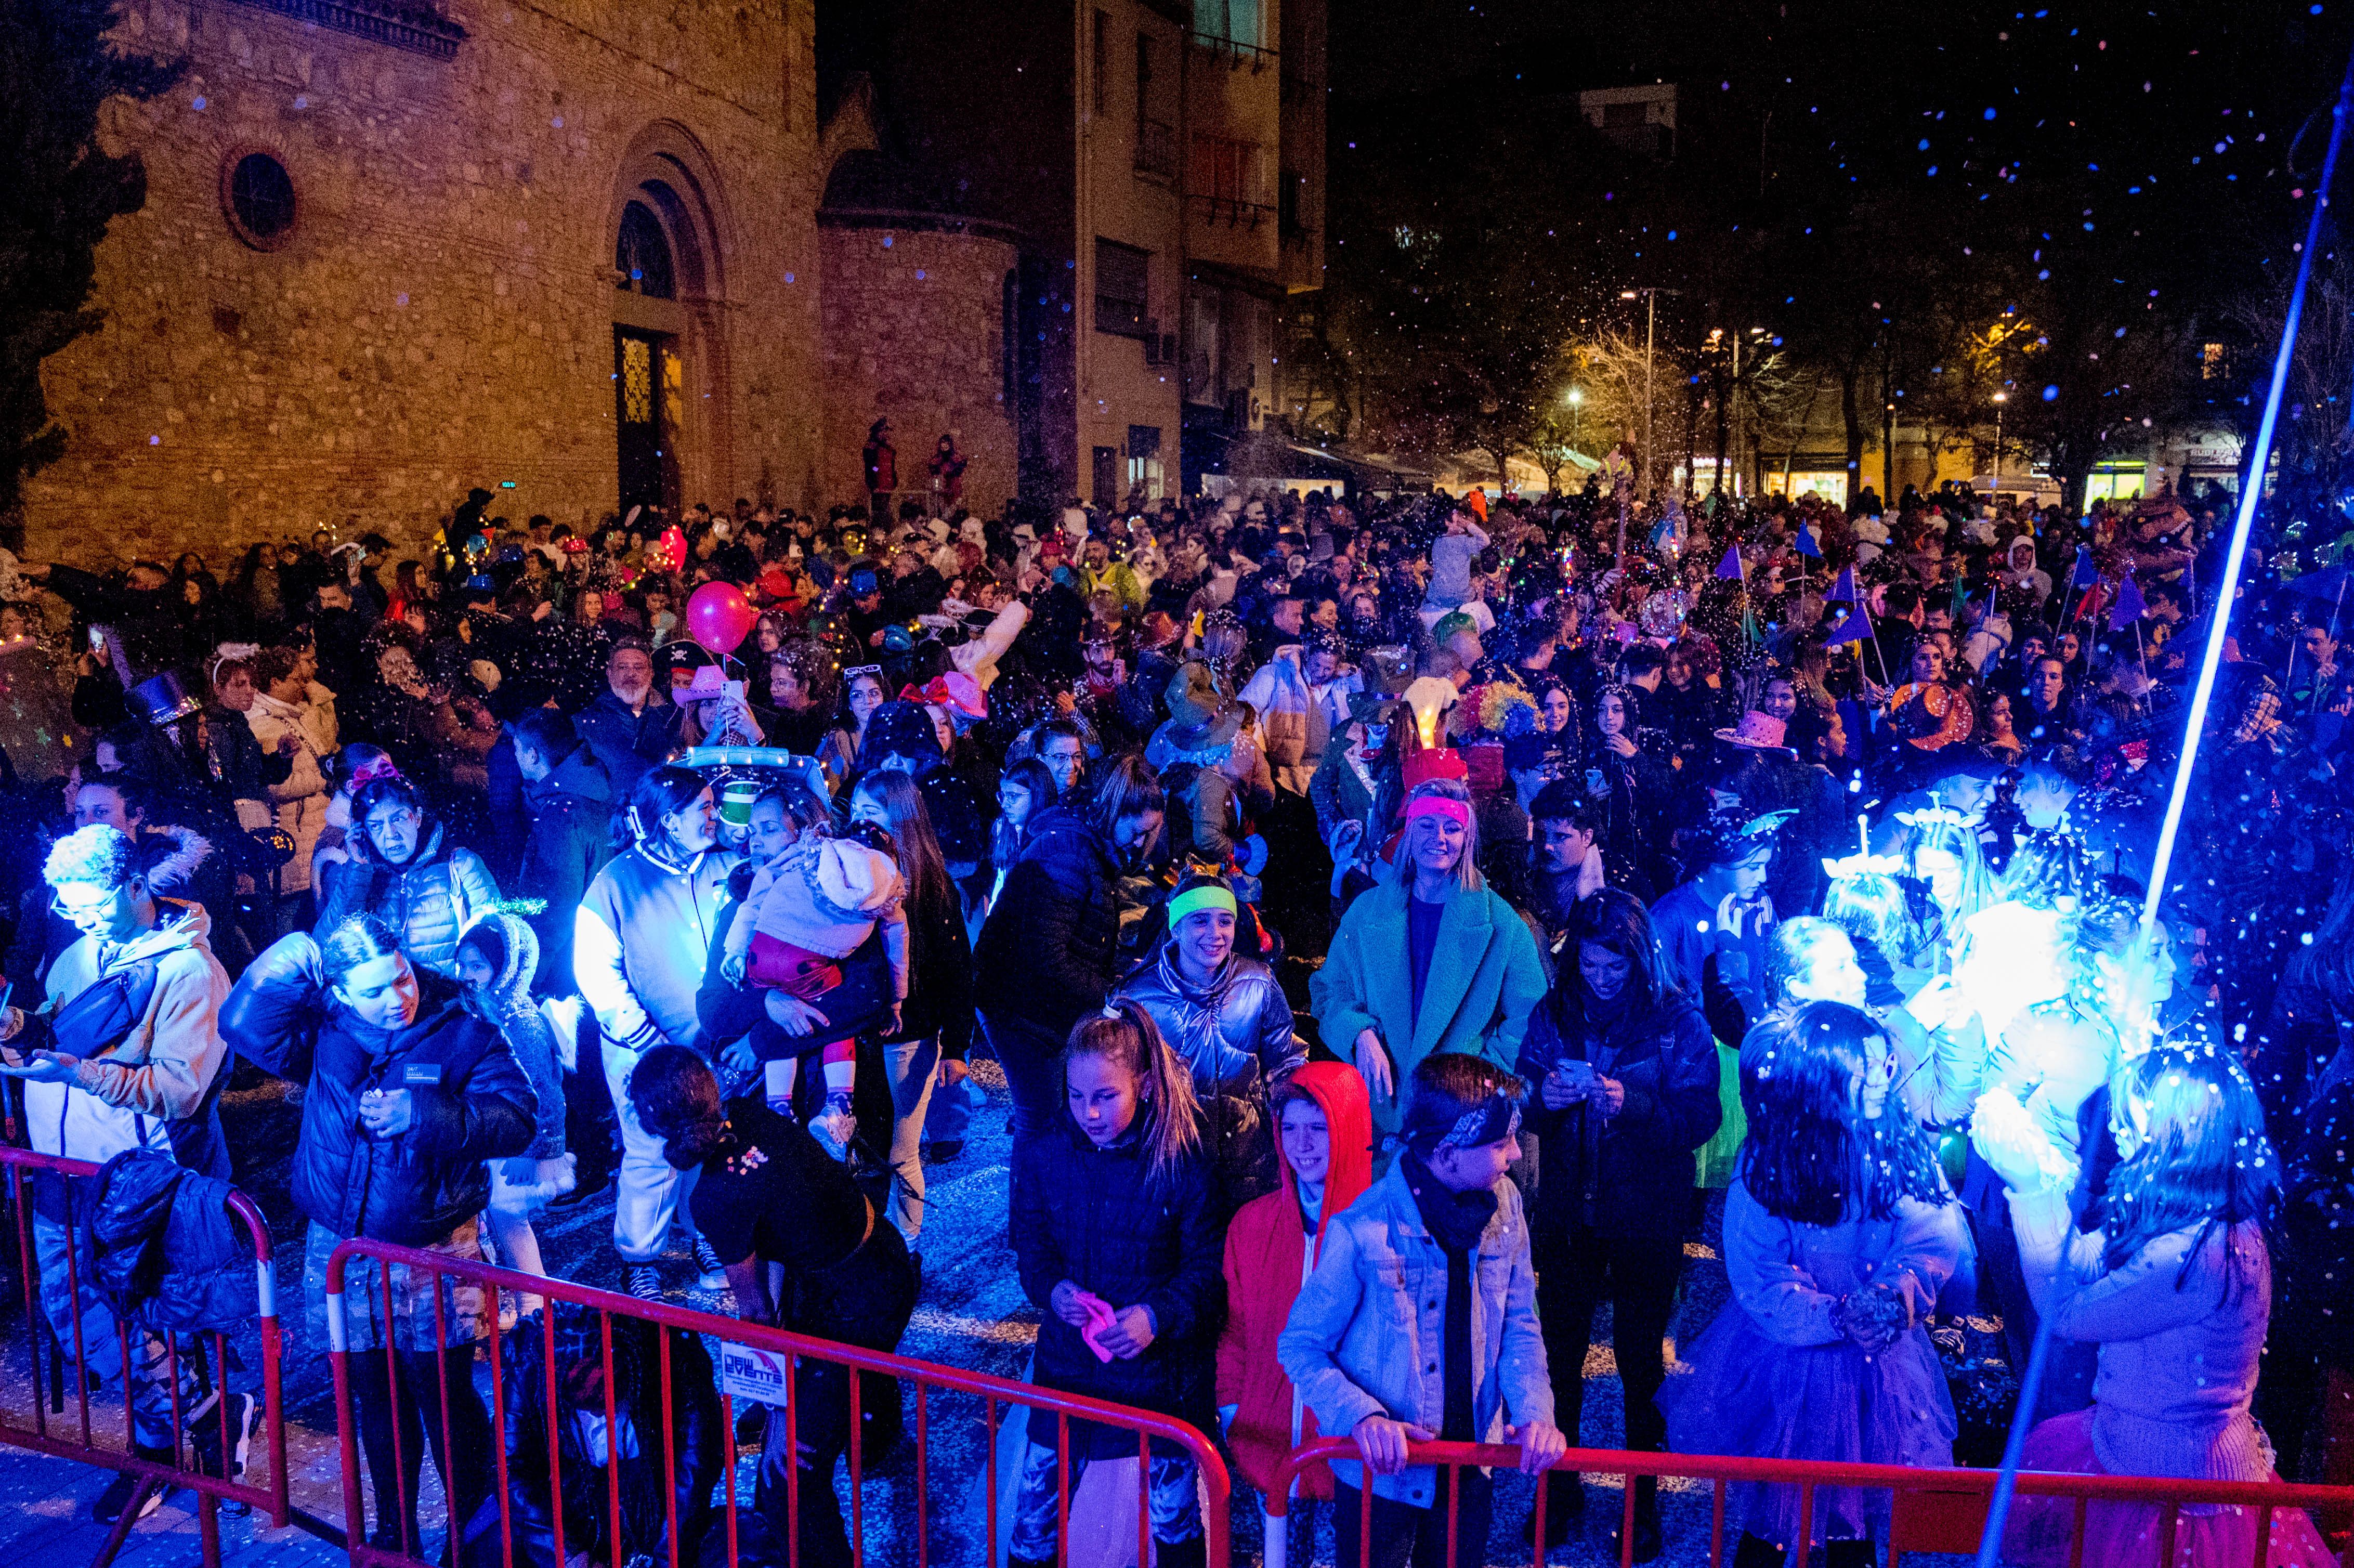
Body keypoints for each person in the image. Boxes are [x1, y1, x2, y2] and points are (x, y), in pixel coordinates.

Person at [220, 915, 534, 1557]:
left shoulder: (463, 1031)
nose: (398, 998)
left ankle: (474, 1536)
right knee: (373, 1395)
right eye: (374, 991)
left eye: (402, 978)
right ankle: (394, 1530)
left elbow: (517, 1119)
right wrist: (285, 955)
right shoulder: (325, 1032)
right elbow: (239, 1025)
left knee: (443, 1397)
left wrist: (424, 1115)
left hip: (432, 1248)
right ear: (337, 992)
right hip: (339, 1248)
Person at [1980, 1044, 2338, 1567]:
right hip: (2134, 1453)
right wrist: (2046, 1175)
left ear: (2180, 1128)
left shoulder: (2203, 1252)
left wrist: (2030, 1188)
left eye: (2130, 1115)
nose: (2118, 1129)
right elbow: (2082, 1261)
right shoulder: (2190, 1218)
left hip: (2178, 1491)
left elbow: (2065, 1315)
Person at [1662, 1001, 1966, 1568]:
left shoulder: (1895, 1141)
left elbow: (1931, 1228)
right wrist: (1833, 1316)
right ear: (1822, 1077)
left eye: (1884, 1062)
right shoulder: (1769, 1161)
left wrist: (1897, 1295)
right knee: (1777, 1513)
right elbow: (1759, 1272)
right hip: (1791, 1359)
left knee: (1856, 1516)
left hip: (1878, 1361)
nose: (1885, 1076)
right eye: (1866, 1067)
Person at [0, 825, 233, 1523]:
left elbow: (182, 1090)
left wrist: (78, 1072)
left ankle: (160, 1451)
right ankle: (210, 1413)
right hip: (62, 1167)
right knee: (74, 1309)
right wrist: (19, 1025)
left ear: (135, 885)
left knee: (151, 1309)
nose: (77, 917)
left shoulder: (192, 971)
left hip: (139, 1173)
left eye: (90, 901)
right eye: (66, 904)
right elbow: (58, 1025)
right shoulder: (81, 950)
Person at [627, 1044, 918, 1568]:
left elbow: (757, 1315)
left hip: (853, 1305)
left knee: (787, 1479)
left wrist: (781, 1409)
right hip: (883, 1255)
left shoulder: (714, 1200)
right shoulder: (752, 1111)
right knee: (850, 1386)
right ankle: (873, 1433)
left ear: (653, 1127)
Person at [1277, 1055, 1565, 1568]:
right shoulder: (1363, 1229)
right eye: (1501, 1143)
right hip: (1380, 1472)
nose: (1515, 1154)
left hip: (1469, 1459)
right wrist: (1361, 1417)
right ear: (1447, 1153)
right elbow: (1300, 1344)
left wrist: (1533, 1410)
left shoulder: (1507, 1205)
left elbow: (1520, 1321)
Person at [1515, 889, 1720, 1558]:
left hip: (1646, 1215)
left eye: (1615, 967)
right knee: (1560, 1358)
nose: (1600, 980)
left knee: (1639, 1363)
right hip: (1569, 1211)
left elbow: (1701, 1118)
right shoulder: (1555, 1011)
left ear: (1638, 959)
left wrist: (1630, 1103)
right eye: (1590, 966)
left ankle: (1643, 1498)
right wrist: (1543, 1099)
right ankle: (1560, 1491)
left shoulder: (1676, 1022)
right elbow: (1523, 1092)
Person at [1009, 1001, 1224, 1568]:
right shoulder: (1043, 1153)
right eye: (1078, 1097)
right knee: (1034, 1523)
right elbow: (1031, 1246)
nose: (1090, 1112)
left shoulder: (1182, 1158)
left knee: (1174, 1524)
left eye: (1106, 1096)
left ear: (1145, 1085)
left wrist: (1156, 1316)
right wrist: (1052, 1290)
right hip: (1067, 1368)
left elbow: (1208, 1269)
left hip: (1159, 1380)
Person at [576, 766, 741, 1299]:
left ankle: (705, 1233)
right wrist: (645, 1039)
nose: (715, 817)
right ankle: (639, 1256)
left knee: (710, 1141)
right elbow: (597, 971)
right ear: (670, 820)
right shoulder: (617, 882)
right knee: (652, 1153)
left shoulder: (729, 867)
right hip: (643, 1052)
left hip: (709, 1046)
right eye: (705, 809)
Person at [1310, 777, 1547, 1144]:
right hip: (1378, 1117)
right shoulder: (1365, 912)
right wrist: (1359, 1032)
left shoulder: (1503, 925)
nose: (1440, 837)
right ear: (1409, 832)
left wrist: (1479, 1079)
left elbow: (1531, 1019)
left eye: (1453, 828)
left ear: (1467, 839)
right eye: (1427, 825)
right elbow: (1329, 991)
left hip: (1460, 1123)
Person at [1217, 1065, 1375, 1562]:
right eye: (1289, 1127)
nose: (1301, 1144)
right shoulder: (1250, 1224)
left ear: (1348, 1128)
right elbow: (1236, 1332)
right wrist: (1231, 1409)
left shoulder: (1382, 1229)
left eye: (1319, 1127)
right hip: (1264, 1456)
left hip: (1352, 1462)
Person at [975, 755, 1166, 1138]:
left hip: (1040, 1007)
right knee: (1041, 1124)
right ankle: (1031, 1198)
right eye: (1137, 831)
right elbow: (1046, 956)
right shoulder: (1067, 855)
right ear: (1113, 812)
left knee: (1056, 1120)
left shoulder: (1090, 849)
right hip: (1019, 1011)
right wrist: (1108, 996)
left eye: (1152, 832)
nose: (1142, 843)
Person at [1115, 871, 1306, 1205]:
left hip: (1250, 1155)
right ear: (1176, 928)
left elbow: (1284, 1059)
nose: (1215, 935)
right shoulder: (1138, 996)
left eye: (1225, 921)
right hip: (1174, 1157)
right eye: (1200, 921)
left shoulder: (1256, 982)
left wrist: (1293, 1118)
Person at [844, 768, 973, 1247]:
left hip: (909, 1037)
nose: (861, 824)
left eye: (872, 813)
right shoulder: (845, 879)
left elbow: (958, 970)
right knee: (856, 1146)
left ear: (900, 819)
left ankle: (905, 1248)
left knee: (900, 1150)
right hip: (854, 1034)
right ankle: (861, 1244)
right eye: (856, 811)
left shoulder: (932, 888)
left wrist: (957, 1046)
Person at [454, 915, 571, 1302]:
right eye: (463, 965)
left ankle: (536, 1307)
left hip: (518, 1152)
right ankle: (522, 1304)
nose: (468, 975)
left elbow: (546, 1094)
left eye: (479, 966)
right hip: (494, 1142)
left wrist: (531, 1153)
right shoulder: (482, 1012)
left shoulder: (521, 1021)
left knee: (511, 1222)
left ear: (505, 967)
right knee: (500, 1226)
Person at [312, 775, 502, 976]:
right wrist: (357, 870)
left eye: (398, 819)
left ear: (417, 818)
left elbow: (496, 946)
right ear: (364, 832)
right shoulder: (363, 877)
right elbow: (326, 947)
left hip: (451, 1001)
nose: (390, 833)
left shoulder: (461, 866)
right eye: (376, 825)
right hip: (392, 1002)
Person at [509, 707, 614, 993]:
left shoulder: (561, 815)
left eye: (517, 749)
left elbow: (554, 908)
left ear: (533, 755)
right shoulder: (593, 789)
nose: (515, 757)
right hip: (598, 953)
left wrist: (529, 980)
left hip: (570, 968)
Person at [576, 639, 682, 795]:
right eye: (622, 667)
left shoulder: (670, 720)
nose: (631, 674)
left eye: (638, 667)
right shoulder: (585, 724)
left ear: (651, 674)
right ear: (609, 673)